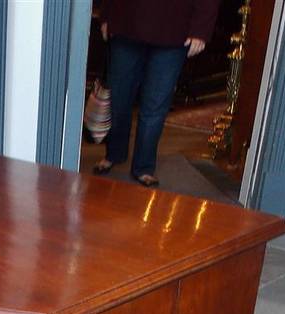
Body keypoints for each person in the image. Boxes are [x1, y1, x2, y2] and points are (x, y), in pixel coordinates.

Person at [93, 0, 220, 187]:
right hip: (126, 25)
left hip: (174, 32)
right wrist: (106, 16)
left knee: (155, 106)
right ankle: (114, 153)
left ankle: (144, 167)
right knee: (118, 98)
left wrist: (200, 30)